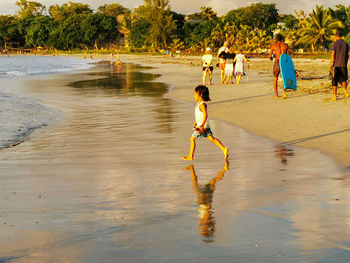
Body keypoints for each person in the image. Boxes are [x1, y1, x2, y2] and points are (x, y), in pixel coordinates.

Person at [183, 161, 229, 242]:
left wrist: (201, 224)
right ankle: (224, 169)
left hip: (204, 200)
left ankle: (225, 169)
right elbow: (207, 212)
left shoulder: (207, 221)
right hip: (203, 200)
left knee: (210, 181)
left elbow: (207, 213)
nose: (200, 229)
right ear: (206, 229)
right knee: (200, 182)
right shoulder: (207, 220)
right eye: (202, 230)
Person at [182, 85, 229, 161]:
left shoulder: (202, 104)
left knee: (192, 139)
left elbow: (205, 115)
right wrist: (195, 122)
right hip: (204, 125)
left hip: (202, 126)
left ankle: (191, 156)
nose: (194, 95)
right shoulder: (199, 103)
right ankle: (224, 149)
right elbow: (199, 115)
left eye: (195, 94)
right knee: (211, 138)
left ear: (200, 95)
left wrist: (201, 125)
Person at [329, 29, 350, 101]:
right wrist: (345, 62)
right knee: (343, 79)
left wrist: (330, 65)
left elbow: (333, 55)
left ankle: (335, 96)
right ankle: (346, 92)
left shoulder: (335, 44)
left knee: (334, 80)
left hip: (336, 65)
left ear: (336, 36)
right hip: (343, 64)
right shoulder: (346, 44)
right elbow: (348, 55)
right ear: (342, 36)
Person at [269, 33, 290, 99]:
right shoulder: (286, 45)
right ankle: (284, 92)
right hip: (284, 62)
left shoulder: (274, 45)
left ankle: (276, 94)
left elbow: (270, 56)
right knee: (284, 78)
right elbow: (288, 56)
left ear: (276, 39)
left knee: (275, 78)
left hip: (277, 62)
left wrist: (271, 58)